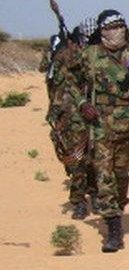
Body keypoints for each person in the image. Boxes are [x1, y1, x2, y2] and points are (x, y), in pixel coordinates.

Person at [77, 10, 129, 252]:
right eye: (113, 27)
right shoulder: (89, 56)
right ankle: (113, 231)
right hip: (99, 125)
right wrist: (83, 104)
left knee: (122, 174)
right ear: (102, 31)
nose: (118, 31)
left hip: (125, 124)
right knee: (104, 176)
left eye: (121, 26)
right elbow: (71, 84)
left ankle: (117, 208)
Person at [48, 20, 97, 220]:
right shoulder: (64, 57)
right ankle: (78, 200)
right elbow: (54, 87)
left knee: (95, 158)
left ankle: (95, 193)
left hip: (96, 114)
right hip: (71, 116)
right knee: (77, 159)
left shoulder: (98, 55)